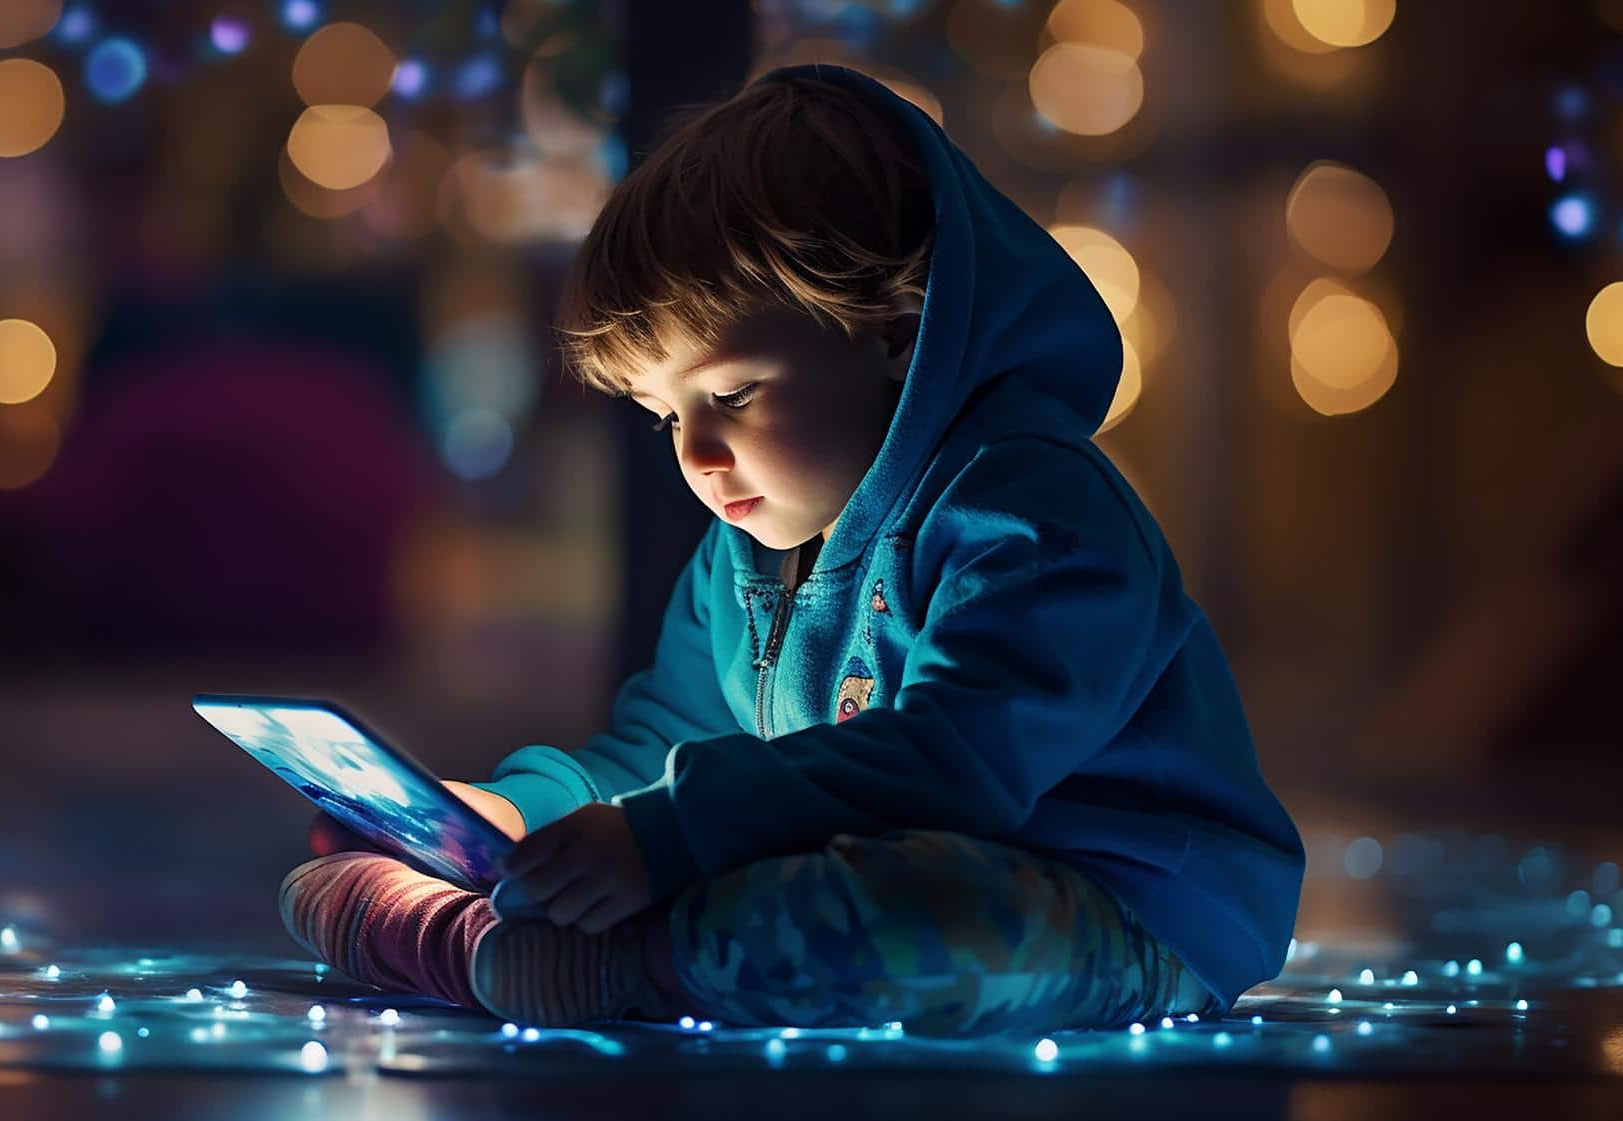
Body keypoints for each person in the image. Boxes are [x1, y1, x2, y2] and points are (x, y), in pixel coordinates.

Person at [280, 63, 1304, 1035]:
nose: (695, 453)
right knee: (744, 885)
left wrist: (669, 836)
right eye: (660, 413)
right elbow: (657, 749)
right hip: (878, 853)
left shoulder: (1032, 515)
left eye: (728, 393)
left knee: (899, 916)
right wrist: (510, 814)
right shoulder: (747, 552)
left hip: (1123, 902)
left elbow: (955, 765)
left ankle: (571, 961)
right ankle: (514, 935)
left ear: (892, 329)